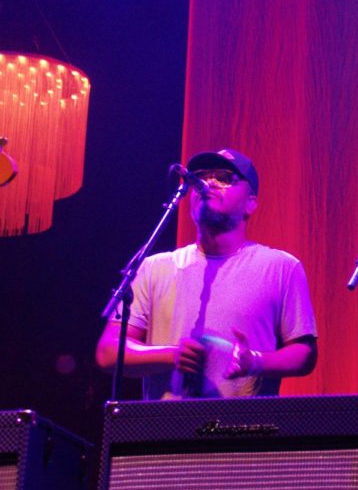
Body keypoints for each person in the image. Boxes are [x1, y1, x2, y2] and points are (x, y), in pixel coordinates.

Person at [95, 148, 317, 399]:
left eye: (224, 177)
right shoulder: (153, 268)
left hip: (245, 431)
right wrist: (172, 354)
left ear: (251, 203)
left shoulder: (281, 268)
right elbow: (109, 352)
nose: (209, 182)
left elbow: (304, 353)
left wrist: (254, 362)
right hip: (164, 432)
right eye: (202, 175)